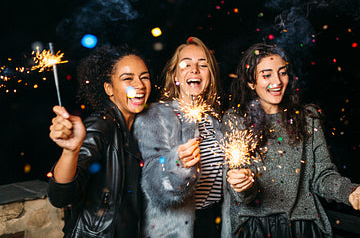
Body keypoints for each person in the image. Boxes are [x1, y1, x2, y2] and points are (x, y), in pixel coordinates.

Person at [223, 43, 360, 238]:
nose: (277, 81)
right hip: (257, 228)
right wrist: (243, 184)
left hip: (304, 227)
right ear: (250, 82)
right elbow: (244, 195)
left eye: (282, 72)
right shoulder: (236, 120)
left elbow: (322, 176)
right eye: (266, 75)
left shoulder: (308, 118)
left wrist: (350, 191)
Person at [47, 45, 152, 237]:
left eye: (144, 77)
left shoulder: (140, 128)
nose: (140, 85)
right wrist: (70, 151)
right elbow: (60, 196)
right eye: (128, 78)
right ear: (109, 88)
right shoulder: (100, 126)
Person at [134, 37, 228, 238]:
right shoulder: (155, 116)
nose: (195, 70)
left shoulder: (216, 120)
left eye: (203, 65)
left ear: (210, 75)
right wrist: (177, 165)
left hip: (215, 225)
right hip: (176, 230)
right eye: (186, 64)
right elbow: (152, 187)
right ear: (174, 73)